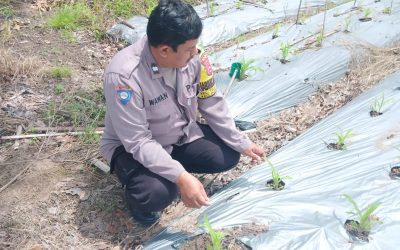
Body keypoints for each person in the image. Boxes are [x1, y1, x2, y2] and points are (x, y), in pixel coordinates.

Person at [100, 0, 265, 225]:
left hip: (178, 135)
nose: (194, 53)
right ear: (165, 50)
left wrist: (240, 141)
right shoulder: (124, 77)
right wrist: (181, 177)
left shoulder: (193, 58)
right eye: (189, 49)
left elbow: (210, 101)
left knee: (227, 154)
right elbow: (137, 142)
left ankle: (170, 168)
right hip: (133, 148)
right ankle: (140, 196)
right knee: (157, 193)